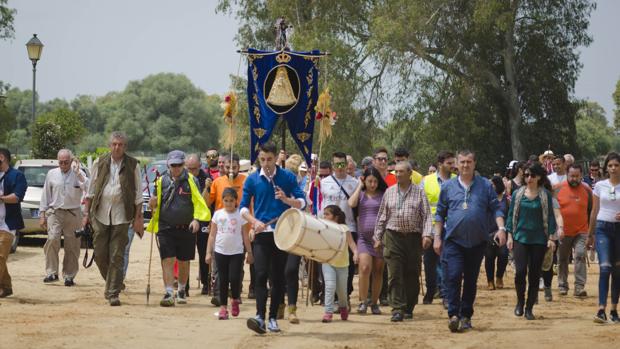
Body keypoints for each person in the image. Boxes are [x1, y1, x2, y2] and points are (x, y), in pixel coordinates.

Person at [434, 150, 506, 332]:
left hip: (477, 242)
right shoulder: (448, 187)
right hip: (454, 241)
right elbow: (440, 214)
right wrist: (436, 237)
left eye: (469, 162)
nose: (465, 165)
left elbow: (496, 209)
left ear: (474, 164)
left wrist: (502, 228)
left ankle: (466, 315)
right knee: (453, 275)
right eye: (462, 162)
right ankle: (453, 314)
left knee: (471, 280)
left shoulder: (485, 186)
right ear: (456, 165)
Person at [241, 142, 306, 334]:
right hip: (262, 234)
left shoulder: (287, 176)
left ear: (276, 157)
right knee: (260, 274)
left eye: (269, 159)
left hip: (283, 234)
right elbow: (243, 208)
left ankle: (272, 318)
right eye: (262, 159)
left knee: (277, 279)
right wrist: (254, 222)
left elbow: (302, 201)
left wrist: (287, 200)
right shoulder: (252, 180)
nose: (266, 163)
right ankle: (260, 316)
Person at [84, 131, 144, 306]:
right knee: (100, 254)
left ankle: (113, 293)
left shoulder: (133, 165)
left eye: (121, 144)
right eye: (114, 144)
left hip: (123, 215)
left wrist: (138, 217)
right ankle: (115, 281)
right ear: (110, 145)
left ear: (125, 147)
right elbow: (91, 190)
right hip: (100, 214)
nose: (117, 147)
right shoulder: (99, 162)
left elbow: (138, 194)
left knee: (117, 255)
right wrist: (86, 214)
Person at [146, 150, 210, 307]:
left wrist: (196, 220)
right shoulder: (161, 181)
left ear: (183, 165)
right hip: (165, 226)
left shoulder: (192, 180)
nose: (176, 168)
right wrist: (152, 203)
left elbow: (198, 201)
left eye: (179, 165)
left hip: (186, 226)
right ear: (168, 165)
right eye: (173, 165)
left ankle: (181, 290)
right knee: (167, 259)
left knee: (183, 261)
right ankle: (168, 292)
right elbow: (154, 203)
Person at [373, 161, 432, 322]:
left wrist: (427, 235)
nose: (398, 175)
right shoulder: (389, 192)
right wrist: (377, 237)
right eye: (396, 172)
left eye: (401, 172)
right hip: (393, 237)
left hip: (413, 238)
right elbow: (382, 217)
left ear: (410, 174)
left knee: (412, 274)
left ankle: (409, 307)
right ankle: (397, 308)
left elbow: (427, 216)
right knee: (394, 273)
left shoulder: (419, 192)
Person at [506, 162, 557, 321]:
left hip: (539, 240)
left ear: (539, 177)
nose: (529, 178)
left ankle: (529, 308)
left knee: (534, 274)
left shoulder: (545, 195)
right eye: (526, 175)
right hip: (520, 238)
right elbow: (510, 216)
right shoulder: (517, 194)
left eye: (532, 175)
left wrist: (551, 238)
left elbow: (550, 217)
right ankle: (520, 303)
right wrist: (509, 236)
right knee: (520, 272)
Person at [40, 149, 89, 286]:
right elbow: (46, 194)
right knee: (52, 239)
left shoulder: (78, 173)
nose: (63, 165)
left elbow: (89, 187)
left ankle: (69, 275)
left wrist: (78, 173)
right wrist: (42, 214)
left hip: (73, 213)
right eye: (60, 162)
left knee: (72, 245)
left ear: (71, 161)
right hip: (55, 212)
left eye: (66, 162)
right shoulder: (52, 174)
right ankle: (51, 272)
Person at [206, 188, 253, 319]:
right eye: (226, 201)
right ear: (222, 201)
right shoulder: (218, 214)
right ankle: (223, 308)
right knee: (223, 280)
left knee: (234, 278)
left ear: (236, 201)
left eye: (231, 201)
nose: (228, 204)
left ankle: (235, 299)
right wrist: (208, 252)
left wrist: (249, 252)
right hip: (220, 251)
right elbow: (212, 235)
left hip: (237, 252)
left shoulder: (240, 215)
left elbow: (245, 235)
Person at [320, 152, 360, 305]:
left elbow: (356, 206)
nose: (340, 167)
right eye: (337, 164)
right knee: (329, 261)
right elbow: (319, 204)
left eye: (343, 164)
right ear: (333, 165)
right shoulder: (324, 182)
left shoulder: (354, 182)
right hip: (328, 228)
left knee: (347, 264)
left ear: (347, 165)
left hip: (348, 227)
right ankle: (333, 296)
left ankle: (346, 294)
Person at [207, 153, 247, 305]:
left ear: (239, 167)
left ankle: (236, 293)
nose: (231, 170)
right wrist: (206, 188)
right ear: (223, 166)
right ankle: (219, 294)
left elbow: (252, 202)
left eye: (234, 167)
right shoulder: (217, 182)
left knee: (237, 267)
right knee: (219, 266)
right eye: (228, 167)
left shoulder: (245, 181)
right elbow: (208, 201)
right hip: (221, 228)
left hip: (240, 227)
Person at [348, 166, 387, 314]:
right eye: (370, 181)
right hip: (363, 238)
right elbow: (351, 204)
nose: (373, 184)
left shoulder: (383, 195)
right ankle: (363, 301)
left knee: (378, 271)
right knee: (364, 268)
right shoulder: (361, 194)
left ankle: (374, 303)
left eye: (375, 181)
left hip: (379, 238)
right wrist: (360, 185)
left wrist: (381, 236)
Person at [587, 152, 620, 323]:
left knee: (617, 271)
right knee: (605, 267)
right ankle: (601, 309)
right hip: (602, 228)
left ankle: (614, 309)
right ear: (606, 168)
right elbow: (594, 210)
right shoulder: (599, 186)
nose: (613, 168)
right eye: (610, 165)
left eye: (616, 165)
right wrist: (590, 233)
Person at [421, 151, 456, 305]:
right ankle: (431, 290)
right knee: (430, 262)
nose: (452, 166)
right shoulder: (426, 181)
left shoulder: (457, 180)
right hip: (430, 226)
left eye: (453, 163)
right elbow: (421, 204)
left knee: (446, 261)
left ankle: (445, 293)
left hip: (451, 226)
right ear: (440, 164)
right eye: (449, 163)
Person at [557, 164, 591, 297]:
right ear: (567, 175)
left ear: (581, 175)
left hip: (581, 231)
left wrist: (591, 232)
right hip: (563, 231)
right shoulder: (558, 189)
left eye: (577, 176)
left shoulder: (587, 190)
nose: (574, 179)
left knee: (580, 255)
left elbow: (592, 210)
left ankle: (579, 287)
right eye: (572, 176)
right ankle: (562, 285)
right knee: (563, 259)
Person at [321, 205, 358, 322]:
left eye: (327, 214)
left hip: (343, 264)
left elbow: (352, 243)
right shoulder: (323, 228)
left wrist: (356, 253)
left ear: (335, 217)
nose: (324, 216)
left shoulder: (344, 228)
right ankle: (328, 312)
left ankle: (343, 307)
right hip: (327, 262)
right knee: (330, 286)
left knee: (342, 291)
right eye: (324, 214)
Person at [0, 148, 27, 298]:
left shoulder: (18, 176)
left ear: (2, 157)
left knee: (0, 257)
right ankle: (6, 286)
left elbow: (17, 197)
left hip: (7, 224)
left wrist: (2, 198)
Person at [185, 154, 212, 296]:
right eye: (188, 169)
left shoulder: (206, 178)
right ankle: (185, 285)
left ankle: (206, 284)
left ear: (199, 167)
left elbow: (205, 203)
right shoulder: (182, 178)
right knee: (186, 253)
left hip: (202, 220)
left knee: (203, 253)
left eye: (193, 169)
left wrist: (207, 189)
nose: (190, 172)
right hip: (186, 220)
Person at [484, 176, 509, 290]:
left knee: (503, 255)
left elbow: (509, 216)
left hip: (503, 231)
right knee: (489, 256)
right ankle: (490, 280)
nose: (491, 187)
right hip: (488, 232)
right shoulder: (487, 199)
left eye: (492, 184)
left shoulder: (507, 200)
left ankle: (499, 277)